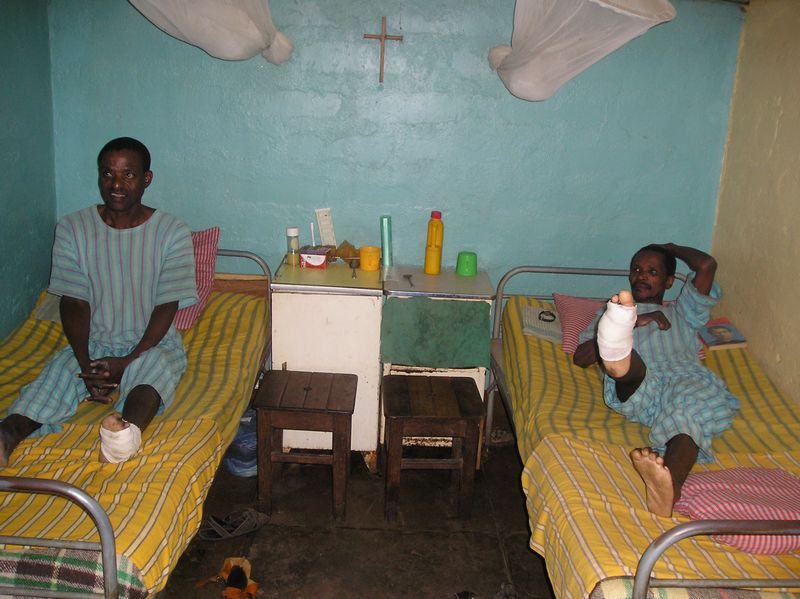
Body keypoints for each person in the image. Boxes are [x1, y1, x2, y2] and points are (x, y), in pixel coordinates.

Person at [0, 137, 198, 466]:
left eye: (128, 175)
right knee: (57, 376)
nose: (116, 185)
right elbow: (74, 302)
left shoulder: (171, 231)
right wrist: (84, 363)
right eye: (107, 174)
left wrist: (129, 359)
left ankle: (123, 433)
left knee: (152, 370)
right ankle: (8, 434)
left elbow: (166, 305)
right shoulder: (72, 228)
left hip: (151, 340)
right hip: (92, 341)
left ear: (147, 179)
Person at [573, 243, 739, 517]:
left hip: (686, 380)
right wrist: (634, 321)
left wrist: (667, 248)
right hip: (640, 387)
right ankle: (618, 350)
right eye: (637, 269)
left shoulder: (684, 312)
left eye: (653, 271)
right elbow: (580, 358)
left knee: (685, 413)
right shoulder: (613, 314)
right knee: (631, 362)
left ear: (669, 281)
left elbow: (707, 265)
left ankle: (669, 488)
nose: (641, 276)